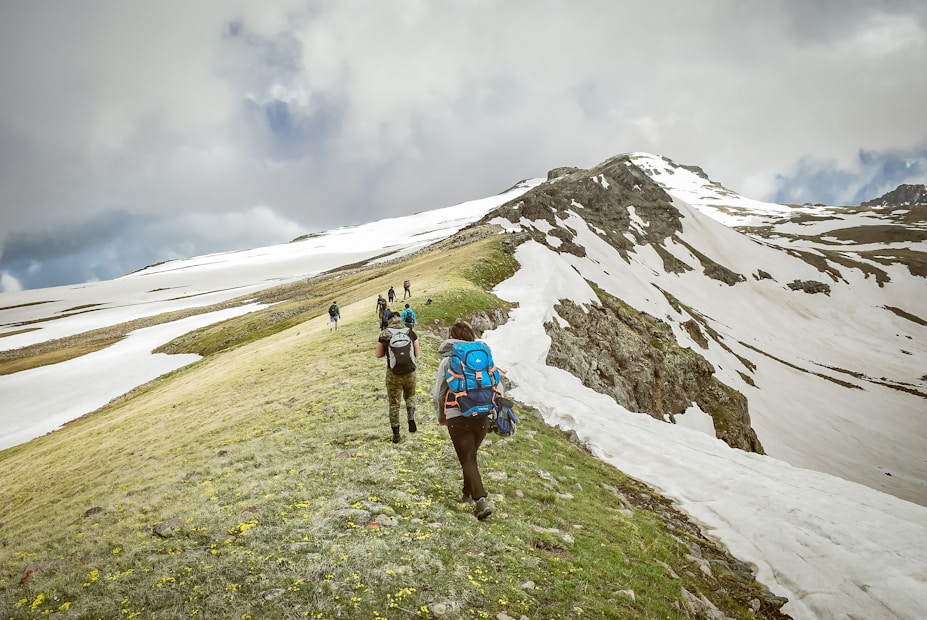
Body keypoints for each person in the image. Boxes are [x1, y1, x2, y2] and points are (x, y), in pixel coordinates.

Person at [432, 319, 498, 520]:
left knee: (467, 458)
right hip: (483, 415)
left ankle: (480, 501)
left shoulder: (449, 360)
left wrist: (441, 415)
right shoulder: (483, 357)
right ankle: (466, 494)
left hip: (457, 415)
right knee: (470, 456)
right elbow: (495, 385)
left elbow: (438, 394)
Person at [376, 312, 420, 443]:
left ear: (388, 321)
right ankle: (411, 416)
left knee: (394, 403)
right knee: (410, 396)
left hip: (393, 374)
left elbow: (378, 354)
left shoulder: (385, 334)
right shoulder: (410, 332)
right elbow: (417, 353)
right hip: (410, 372)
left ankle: (396, 434)